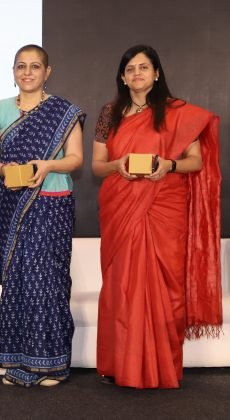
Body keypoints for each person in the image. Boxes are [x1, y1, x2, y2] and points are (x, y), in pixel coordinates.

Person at [92, 44, 222, 389]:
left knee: (167, 288)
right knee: (121, 288)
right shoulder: (110, 113)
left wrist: (169, 165)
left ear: (157, 73)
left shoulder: (177, 112)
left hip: (165, 208)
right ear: (122, 76)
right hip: (121, 207)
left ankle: (163, 367)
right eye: (130, 68)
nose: (137, 73)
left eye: (144, 67)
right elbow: (97, 165)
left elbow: (195, 161)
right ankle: (119, 365)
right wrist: (117, 166)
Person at [0, 44, 84, 387]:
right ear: (13, 71)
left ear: (47, 72)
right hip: (13, 202)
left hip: (52, 202)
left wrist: (47, 165)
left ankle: (52, 364)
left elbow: (75, 159)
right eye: (21, 66)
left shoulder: (63, 112)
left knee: (47, 281)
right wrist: (3, 168)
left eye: (35, 66)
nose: (27, 72)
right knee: (20, 280)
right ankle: (19, 363)